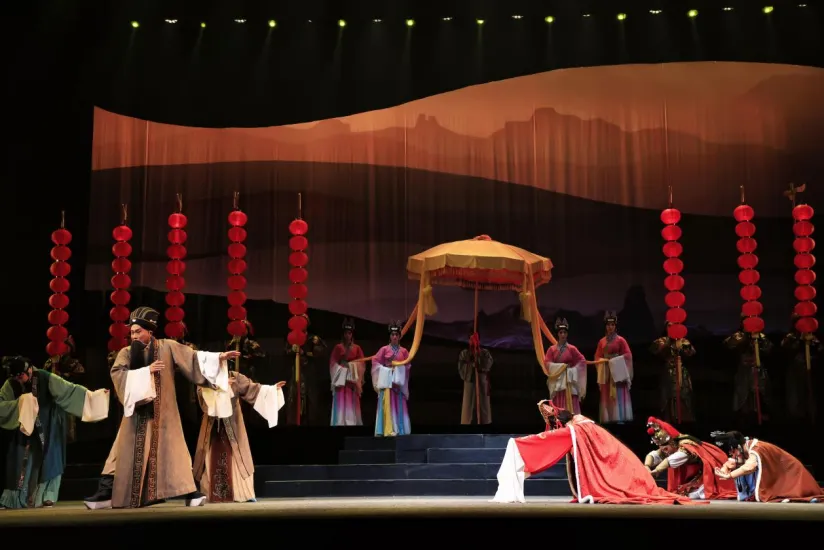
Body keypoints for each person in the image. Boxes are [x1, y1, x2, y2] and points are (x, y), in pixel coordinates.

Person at [108, 306, 240, 509]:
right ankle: (126, 495)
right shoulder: (126, 352)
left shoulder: (167, 347)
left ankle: (190, 493)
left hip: (165, 413)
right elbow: (118, 374)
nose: (133, 336)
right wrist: (146, 371)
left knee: (174, 454)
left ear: (149, 331)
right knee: (130, 455)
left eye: (138, 332)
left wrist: (218, 357)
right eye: (131, 332)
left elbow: (193, 357)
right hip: (137, 415)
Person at [491, 401, 698, 505]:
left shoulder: (578, 427)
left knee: (629, 481)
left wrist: (521, 445)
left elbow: (552, 439)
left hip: (618, 461)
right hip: (622, 459)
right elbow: (656, 454)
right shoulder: (579, 425)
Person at [0, 355, 109, 509]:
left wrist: (94, 398)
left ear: (29, 370)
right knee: (20, 462)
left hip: (48, 426)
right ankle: (15, 499)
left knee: (51, 460)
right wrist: (20, 404)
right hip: (23, 430)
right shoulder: (10, 384)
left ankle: (47, 496)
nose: (19, 379)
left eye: (20, 375)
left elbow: (69, 391)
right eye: (15, 377)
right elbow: (2, 405)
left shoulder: (45, 378)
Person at [193, 373, 286, 503]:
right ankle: (211, 493)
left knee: (238, 456)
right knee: (209, 457)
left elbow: (253, 389)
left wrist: (272, 390)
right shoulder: (205, 377)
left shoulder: (234, 377)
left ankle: (242, 493)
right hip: (212, 427)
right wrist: (218, 387)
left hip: (233, 426)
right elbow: (202, 397)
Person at [712, 430, 823, 503]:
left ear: (738, 447)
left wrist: (730, 475)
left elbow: (749, 467)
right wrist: (724, 469)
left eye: (732, 451)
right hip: (778, 471)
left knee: (793, 492)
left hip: (789, 470)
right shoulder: (744, 448)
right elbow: (733, 462)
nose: (732, 454)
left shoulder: (757, 448)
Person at [643, 417, 736, 500]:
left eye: (666, 448)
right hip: (694, 475)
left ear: (672, 443)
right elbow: (654, 455)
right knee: (683, 493)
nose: (665, 451)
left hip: (707, 474)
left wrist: (657, 470)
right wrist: (646, 466)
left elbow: (674, 459)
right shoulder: (669, 447)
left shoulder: (685, 445)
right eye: (662, 448)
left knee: (700, 493)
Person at [724, 316, 773, 421]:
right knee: (742, 394)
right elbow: (728, 345)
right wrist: (743, 339)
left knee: (760, 392)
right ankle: (744, 417)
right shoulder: (738, 336)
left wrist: (759, 339)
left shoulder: (760, 336)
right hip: (743, 371)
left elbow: (768, 349)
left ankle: (760, 416)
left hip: (758, 369)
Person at [371, 320, 412, 437]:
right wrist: (386, 370)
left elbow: (408, 366)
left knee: (399, 405)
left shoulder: (404, 351)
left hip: (398, 385)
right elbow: (375, 363)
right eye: (392, 335)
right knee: (388, 406)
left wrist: (399, 370)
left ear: (399, 336)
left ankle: (400, 429)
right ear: (390, 336)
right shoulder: (384, 349)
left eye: (396, 335)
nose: (394, 337)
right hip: (387, 384)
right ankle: (387, 429)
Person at [285, 315, 328, 425]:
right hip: (296, 372)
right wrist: (292, 350)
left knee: (310, 402)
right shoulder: (292, 337)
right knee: (294, 400)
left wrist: (305, 353)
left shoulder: (313, 339)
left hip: (309, 373)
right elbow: (285, 351)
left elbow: (322, 351)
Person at [649, 323, 696, 423]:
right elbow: (654, 350)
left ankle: (685, 423)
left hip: (682, 373)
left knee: (684, 396)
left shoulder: (683, 341)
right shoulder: (662, 340)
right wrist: (668, 342)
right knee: (668, 397)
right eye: (669, 326)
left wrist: (682, 344)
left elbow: (691, 353)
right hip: (668, 373)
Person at [43, 335, 86, 443]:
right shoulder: (50, 362)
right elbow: (44, 376)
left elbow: (80, 375)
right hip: (52, 399)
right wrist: (54, 365)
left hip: (68, 398)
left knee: (68, 428)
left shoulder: (73, 362)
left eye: (66, 346)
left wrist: (63, 375)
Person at [593, 311, 633, 423]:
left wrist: (615, 361)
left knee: (618, 393)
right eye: (608, 325)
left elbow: (628, 355)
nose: (610, 327)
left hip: (618, 372)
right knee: (606, 394)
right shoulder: (601, 341)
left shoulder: (621, 340)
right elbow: (597, 356)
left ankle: (620, 417)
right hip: (606, 372)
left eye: (612, 325)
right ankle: (608, 417)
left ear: (615, 326)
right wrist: (602, 361)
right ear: (605, 326)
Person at [780, 317, 821, 420]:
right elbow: (785, 347)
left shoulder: (813, 336)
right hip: (795, 370)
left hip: (811, 369)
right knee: (796, 394)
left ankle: (813, 414)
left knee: (811, 393)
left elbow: (820, 348)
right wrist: (799, 340)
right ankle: (797, 416)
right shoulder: (791, 336)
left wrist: (813, 342)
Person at [544, 318, 587, 415]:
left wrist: (572, 370)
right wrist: (560, 367)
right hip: (558, 381)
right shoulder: (552, 349)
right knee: (558, 402)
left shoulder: (572, 348)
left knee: (571, 401)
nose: (563, 334)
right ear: (557, 334)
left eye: (564, 332)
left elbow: (582, 361)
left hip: (569, 380)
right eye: (560, 332)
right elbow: (547, 363)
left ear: (567, 334)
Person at [329, 318, 366, 426]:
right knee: (340, 401)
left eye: (349, 333)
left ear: (352, 334)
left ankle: (352, 423)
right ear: (343, 334)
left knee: (351, 402)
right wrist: (342, 369)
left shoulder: (357, 348)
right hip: (341, 380)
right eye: (345, 333)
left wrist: (353, 367)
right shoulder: (338, 347)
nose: (347, 335)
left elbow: (362, 363)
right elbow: (332, 363)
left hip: (352, 381)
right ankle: (339, 422)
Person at [458, 331, 493, 424]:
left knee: (483, 412)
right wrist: (472, 365)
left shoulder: (485, 353)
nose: (473, 341)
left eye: (475, 339)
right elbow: (462, 369)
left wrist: (478, 355)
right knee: (468, 414)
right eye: (471, 339)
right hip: (469, 386)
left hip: (481, 385)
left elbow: (488, 364)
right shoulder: (464, 354)